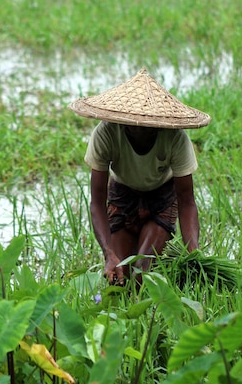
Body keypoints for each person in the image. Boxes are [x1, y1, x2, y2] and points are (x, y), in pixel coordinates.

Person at [69, 67, 211, 285]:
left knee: (141, 273)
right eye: (135, 125)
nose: (141, 129)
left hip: (162, 196)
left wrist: (194, 255)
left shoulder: (175, 138)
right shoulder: (106, 133)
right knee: (120, 276)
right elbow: (97, 202)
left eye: (148, 125)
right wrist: (108, 254)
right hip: (122, 195)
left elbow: (187, 202)